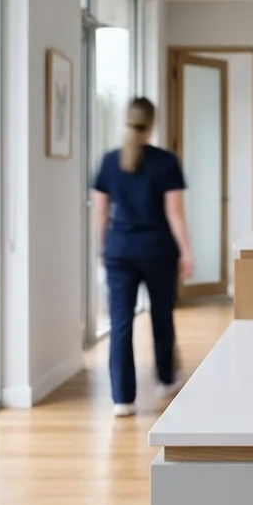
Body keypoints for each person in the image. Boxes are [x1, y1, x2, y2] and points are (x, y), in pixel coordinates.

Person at [92, 97, 194, 416]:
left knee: (120, 323)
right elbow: (174, 213)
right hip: (157, 250)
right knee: (161, 316)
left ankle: (122, 399)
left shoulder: (110, 161)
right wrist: (187, 252)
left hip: (120, 251)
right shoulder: (165, 161)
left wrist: (102, 248)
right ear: (152, 125)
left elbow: (99, 212)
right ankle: (165, 379)